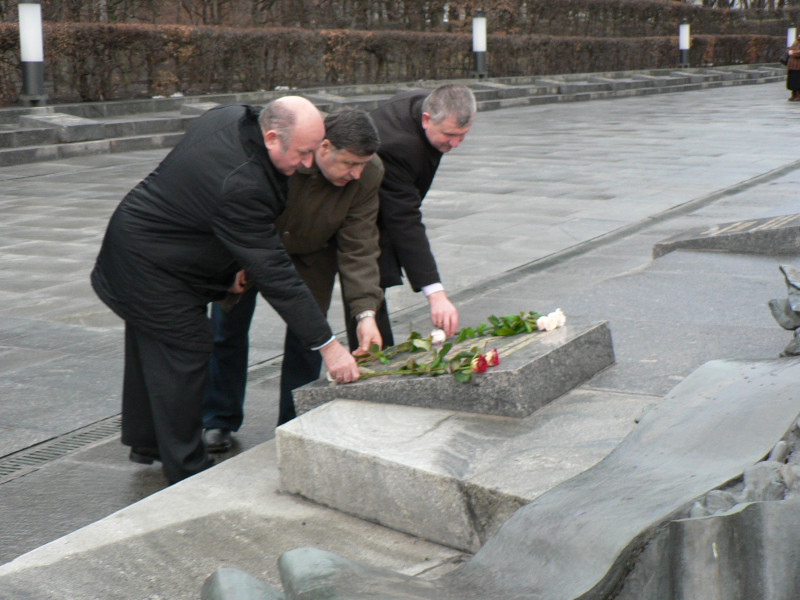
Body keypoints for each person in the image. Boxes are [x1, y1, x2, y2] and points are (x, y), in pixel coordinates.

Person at [90, 97, 360, 484]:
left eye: (313, 151)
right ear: (271, 137)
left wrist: (229, 266)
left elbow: (200, 204)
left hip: (148, 242)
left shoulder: (231, 116)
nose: (306, 164)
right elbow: (276, 274)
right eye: (302, 153)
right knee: (187, 347)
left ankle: (149, 442)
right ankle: (187, 469)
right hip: (148, 265)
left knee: (152, 346)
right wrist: (328, 346)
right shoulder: (243, 182)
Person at [201, 109, 385, 451]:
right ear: (324, 147)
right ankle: (218, 418)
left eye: (362, 164)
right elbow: (235, 206)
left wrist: (365, 313)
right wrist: (233, 259)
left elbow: (360, 245)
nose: (357, 174)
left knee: (310, 340)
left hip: (312, 256)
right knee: (227, 330)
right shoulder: (290, 149)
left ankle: (293, 422)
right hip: (253, 247)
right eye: (349, 163)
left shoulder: (368, 173)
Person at [343, 83, 476, 351]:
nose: (455, 144)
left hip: (381, 206)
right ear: (426, 119)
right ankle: (373, 360)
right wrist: (435, 293)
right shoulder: (398, 145)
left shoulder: (429, 105)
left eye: (463, 136)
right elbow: (404, 218)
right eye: (450, 135)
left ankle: (376, 357)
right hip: (347, 215)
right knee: (365, 289)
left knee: (375, 281)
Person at [787, 34, 800, 102]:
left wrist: (793, 53)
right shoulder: (796, 41)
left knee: (797, 81)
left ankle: (798, 95)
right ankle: (794, 94)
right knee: (792, 81)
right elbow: (790, 49)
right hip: (792, 65)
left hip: (798, 66)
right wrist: (790, 51)